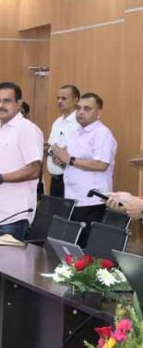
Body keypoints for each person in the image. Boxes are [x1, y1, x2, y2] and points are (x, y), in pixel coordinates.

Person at [0, 82, 43, 240]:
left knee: (9, 257)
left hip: (16, 214)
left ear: (18, 104)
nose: (0, 106)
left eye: (7, 101)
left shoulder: (27, 129)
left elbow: (34, 170)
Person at [50, 93, 117, 246]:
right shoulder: (77, 133)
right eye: (79, 108)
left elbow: (101, 164)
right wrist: (61, 160)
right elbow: (70, 161)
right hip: (73, 199)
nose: (80, 112)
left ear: (98, 113)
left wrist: (70, 160)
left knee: (84, 247)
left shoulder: (102, 133)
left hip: (92, 201)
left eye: (87, 109)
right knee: (72, 246)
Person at [44, 85, 81, 198]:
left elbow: (78, 151)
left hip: (71, 179)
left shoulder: (79, 123)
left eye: (64, 98)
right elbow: (51, 147)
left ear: (76, 100)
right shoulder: (57, 122)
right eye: (58, 98)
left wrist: (59, 155)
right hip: (55, 179)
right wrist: (48, 149)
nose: (59, 101)